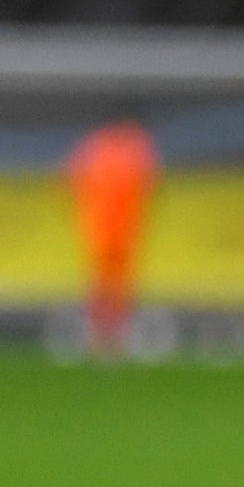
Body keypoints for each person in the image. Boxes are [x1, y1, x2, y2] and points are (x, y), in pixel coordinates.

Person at [63, 116, 160, 357]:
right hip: (113, 228)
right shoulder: (134, 145)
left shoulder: (98, 145)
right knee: (109, 284)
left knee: (111, 284)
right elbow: (151, 180)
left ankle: (109, 339)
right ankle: (105, 339)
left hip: (112, 227)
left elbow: (68, 177)